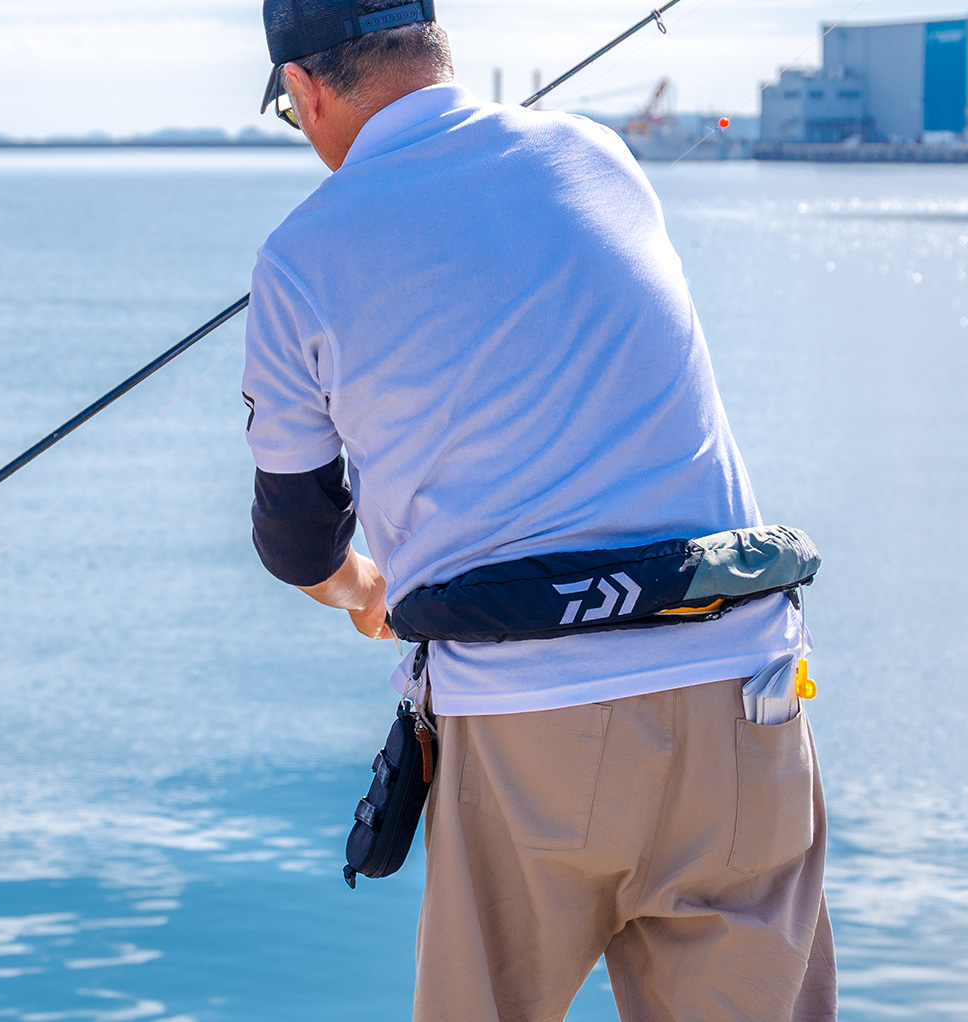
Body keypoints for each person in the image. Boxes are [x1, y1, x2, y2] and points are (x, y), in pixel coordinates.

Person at [242, 3, 836, 1019]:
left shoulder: (300, 256)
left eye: (295, 120)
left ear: (304, 88)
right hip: (744, 690)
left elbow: (295, 532)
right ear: (436, 52)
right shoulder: (598, 157)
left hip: (526, 726)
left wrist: (360, 587)